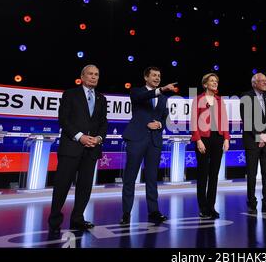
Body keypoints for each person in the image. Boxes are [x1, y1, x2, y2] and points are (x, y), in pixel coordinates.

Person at [48, 64, 108, 235]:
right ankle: (54, 222)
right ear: (82, 77)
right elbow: (64, 120)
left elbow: (103, 123)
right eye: (90, 74)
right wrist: (80, 136)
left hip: (91, 149)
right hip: (71, 147)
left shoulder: (101, 98)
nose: (94, 77)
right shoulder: (70, 94)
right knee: (62, 186)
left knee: (85, 187)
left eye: (96, 74)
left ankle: (78, 219)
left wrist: (98, 139)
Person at [120, 67, 177, 224]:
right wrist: (161, 90)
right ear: (146, 77)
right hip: (137, 139)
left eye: (159, 75)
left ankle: (154, 211)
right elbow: (143, 98)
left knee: (152, 178)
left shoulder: (164, 98)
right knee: (130, 178)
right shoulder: (136, 91)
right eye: (154, 75)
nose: (157, 78)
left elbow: (165, 118)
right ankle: (126, 213)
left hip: (154, 141)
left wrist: (159, 124)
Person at [191, 73, 230, 219]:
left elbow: (225, 121)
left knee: (214, 175)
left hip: (218, 138)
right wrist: (198, 140)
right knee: (202, 174)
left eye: (216, 81)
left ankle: (211, 207)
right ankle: (203, 208)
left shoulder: (220, 101)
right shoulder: (198, 99)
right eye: (212, 81)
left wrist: (226, 138)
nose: (215, 83)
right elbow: (194, 121)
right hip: (203, 139)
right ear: (205, 84)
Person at [240, 73, 266, 214]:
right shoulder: (246, 97)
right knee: (251, 173)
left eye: (265, 80)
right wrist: (259, 137)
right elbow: (247, 120)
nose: (265, 82)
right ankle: (251, 202)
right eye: (261, 81)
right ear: (254, 83)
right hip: (252, 140)